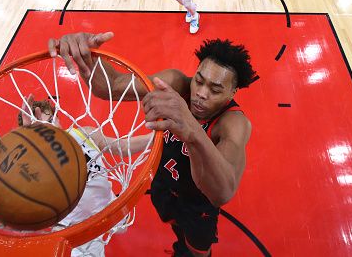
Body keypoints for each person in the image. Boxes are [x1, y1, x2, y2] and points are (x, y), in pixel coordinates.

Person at [49, 31, 257, 257]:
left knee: (197, 250)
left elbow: (222, 192)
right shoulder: (177, 83)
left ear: (232, 93)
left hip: (197, 203)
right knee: (175, 225)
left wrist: (193, 131)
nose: (201, 94)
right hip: (164, 181)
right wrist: (87, 57)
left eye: (215, 90)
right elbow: (113, 85)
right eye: (199, 80)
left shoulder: (233, 123)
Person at [19, 94, 152, 257]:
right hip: (78, 228)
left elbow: (122, 147)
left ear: (59, 118)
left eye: (51, 120)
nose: (50, 129)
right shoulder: (34, 163)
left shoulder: (84, 134)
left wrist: (152, 138)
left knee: (122, 227)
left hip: (108, 204)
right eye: (42, 128)